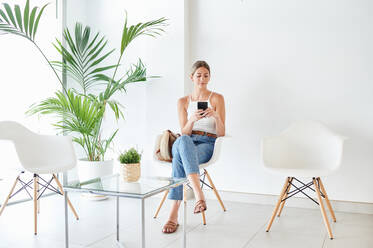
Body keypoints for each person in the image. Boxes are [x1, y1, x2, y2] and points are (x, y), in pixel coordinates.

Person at [162, 60, 226, 233]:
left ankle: (173, 215)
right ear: (191, 77)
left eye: (206, 75)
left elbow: (221, 133)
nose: (202, 79)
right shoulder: (183, 101)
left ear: (210, 77)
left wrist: (216, 117)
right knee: (183, 141)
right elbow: (184, 133)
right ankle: (199, 195)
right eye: (198, 75)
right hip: (186, 140)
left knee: (180, 160)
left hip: (206, 143)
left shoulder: (217, 98)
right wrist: (192, 119)